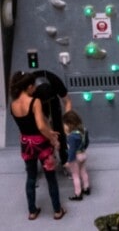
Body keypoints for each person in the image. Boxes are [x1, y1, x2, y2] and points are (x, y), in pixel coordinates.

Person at [9, 71, 66, 220]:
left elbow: (26, 125)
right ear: (28, 87)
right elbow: (41, 126)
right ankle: (57, 210)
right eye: (33, 86)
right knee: (51, 178)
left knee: (31, 177)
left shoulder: (13, 104)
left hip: (26, 144)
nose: (35, 89)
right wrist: (52, 137)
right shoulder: (35, 102)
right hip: (41, 145)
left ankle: (32, 211)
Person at [31, 70, 72, 169]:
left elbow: (67, 101)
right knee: (37, 132)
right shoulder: (29, 86)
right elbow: (42, 123)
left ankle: (65, 160)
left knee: (59, 130)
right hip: (36, 105)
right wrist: (50, 136)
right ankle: (41, 160)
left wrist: (66, 122)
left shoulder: (55, 81)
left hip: (54, 102)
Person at [62, 110, 90, 201]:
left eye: (65, 124)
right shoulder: (83, 131)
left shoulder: (71, 137)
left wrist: (68, 161)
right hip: (83, 154)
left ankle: (78, 194)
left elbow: (71, 151)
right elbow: (87, 142)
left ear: (69, 124)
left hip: (76, 158)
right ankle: (86, 188)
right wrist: (83, 149)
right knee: (83, 172)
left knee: (75, 175)